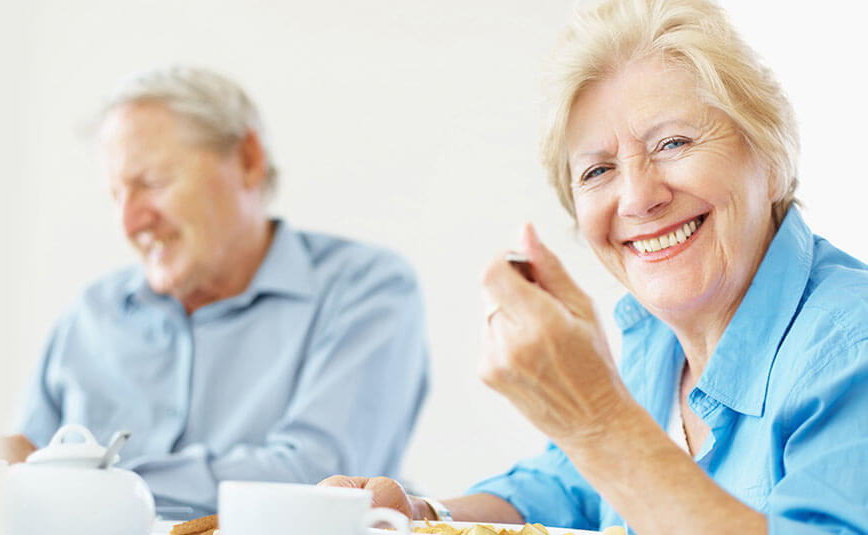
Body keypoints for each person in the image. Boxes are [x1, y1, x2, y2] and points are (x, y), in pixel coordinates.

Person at [321, 0, 868, 533]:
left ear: (771, 159)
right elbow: (567, 489)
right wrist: (417, 516)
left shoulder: (851, 344)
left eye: (673, 142)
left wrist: (598, 420)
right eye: (597, 171)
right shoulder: (655, 344)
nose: (637, 199)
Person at [0, 66, 429, 517]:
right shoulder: (91, 314)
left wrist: (87, 484)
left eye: (153, 183)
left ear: (248, 159)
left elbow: (323, 477)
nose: (130, 223)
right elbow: (21, 484)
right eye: (116, 195)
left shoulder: (365, 288)